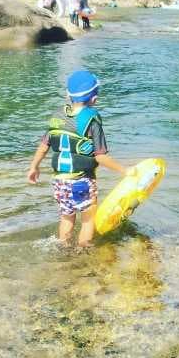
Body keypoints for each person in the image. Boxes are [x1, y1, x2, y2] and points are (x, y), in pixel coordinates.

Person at [27, 70, 130, 246]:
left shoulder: (57, 117)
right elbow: (100, 157)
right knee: (88, 219)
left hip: (59, 182)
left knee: (67, 218)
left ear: (68, 95)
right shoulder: (92, 120)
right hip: (81, 181)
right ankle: (83, 252)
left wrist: (33, 167)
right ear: (94, 98)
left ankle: (63, 247)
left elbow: (44, 145)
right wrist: (125, 171)